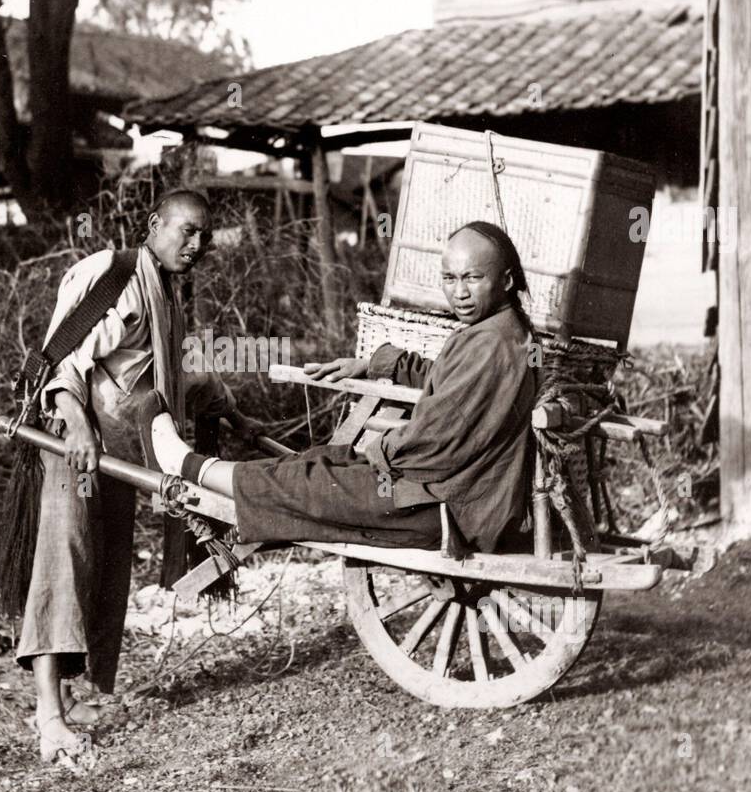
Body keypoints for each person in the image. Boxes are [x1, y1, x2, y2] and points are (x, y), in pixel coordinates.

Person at [140, 221, 538, 556]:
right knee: (317, 462)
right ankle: (202, 474)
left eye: (473, 278)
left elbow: (434, 443)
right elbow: (449, 380)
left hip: (443, 507)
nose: (460, 292)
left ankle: (185, 467)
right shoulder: (499, 332)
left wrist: (377, 451)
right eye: (449, 278)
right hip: (452, 493)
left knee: (309, 483)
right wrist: (374, 363)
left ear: (504, 279)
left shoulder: (491, 344)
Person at [19, 190, 244, 767]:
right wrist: (77, 429)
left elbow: (165, 372)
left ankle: (69, 697)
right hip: (75, 443)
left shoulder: (167, 289)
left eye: (203, 237)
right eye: (185, 232)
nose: (194, 246)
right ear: (154, 224)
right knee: (65, 561)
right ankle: (48, 717)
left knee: (105, 568)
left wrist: (224, 405)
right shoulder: (115, 274)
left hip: (121, 451)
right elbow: (64, 358)